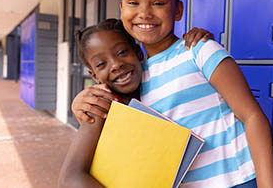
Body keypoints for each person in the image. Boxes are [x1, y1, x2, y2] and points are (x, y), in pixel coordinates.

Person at [73, 0, 273, 188]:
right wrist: (79, 102)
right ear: (121, 8)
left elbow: (253, 116)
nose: (144, 13)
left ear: (178, 10)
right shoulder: (135, 75)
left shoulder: (199, 50)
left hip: (236, 181)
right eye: (133, 3)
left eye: (158, 3)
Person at [58, 19, 213, 187]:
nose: (116, 65)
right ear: (94, 75)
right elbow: (69, 179)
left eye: (122, 52)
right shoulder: (101, 106)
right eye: (101, 64)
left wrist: (197, 41)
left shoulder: (164, 82)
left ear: (138, 53)